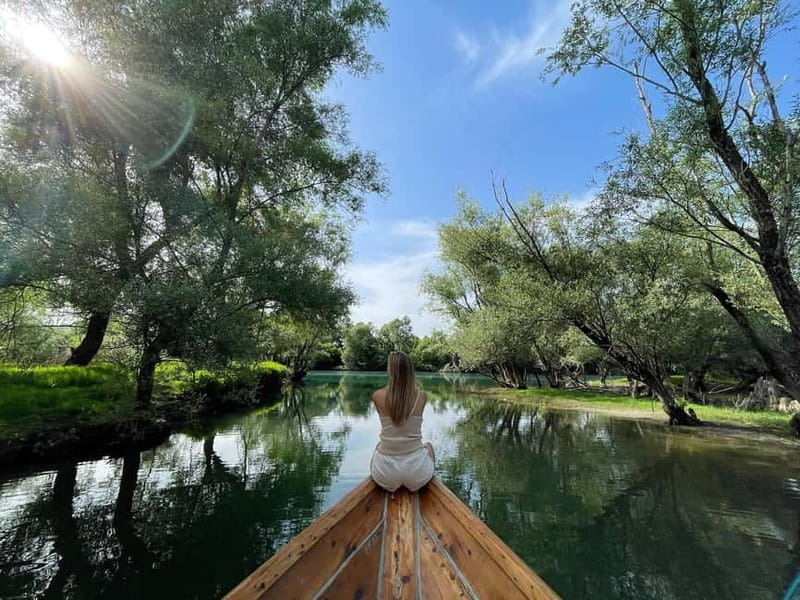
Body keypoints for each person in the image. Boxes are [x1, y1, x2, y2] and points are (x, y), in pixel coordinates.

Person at [369, 351, 435, 492]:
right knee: (429, 446)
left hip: (386, 474)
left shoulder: (377, 396)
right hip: (417, 473)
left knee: (378, 446)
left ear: (390, 370)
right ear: (410, 370)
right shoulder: (422, 397)